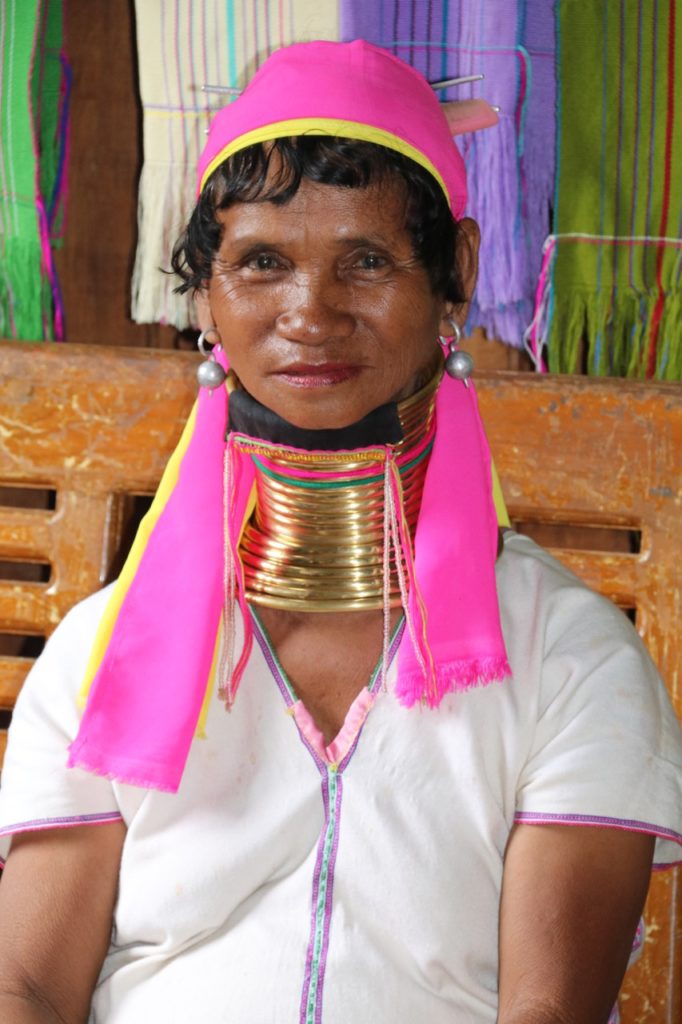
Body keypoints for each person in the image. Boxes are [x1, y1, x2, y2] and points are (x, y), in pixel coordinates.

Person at [0, 40, 680, 1024]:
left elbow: (548, 1012)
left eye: (365, 261)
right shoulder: (104, 658)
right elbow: (25, 986)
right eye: (261, 263)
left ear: (458, 274)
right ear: (205, 296)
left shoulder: (568, 660)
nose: (308, 312)